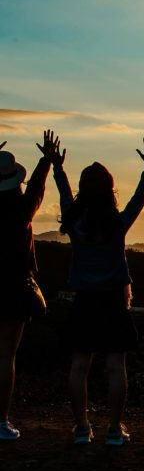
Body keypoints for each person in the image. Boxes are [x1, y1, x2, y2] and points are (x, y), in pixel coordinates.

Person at [53, 137, 144, 445]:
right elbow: (139, 198)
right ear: (110, 189)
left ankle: (82, 427)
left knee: (79, 365)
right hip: (114, 300)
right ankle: (114, 428)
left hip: (84, 299)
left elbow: (62, 193)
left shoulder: (74, 221)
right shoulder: (117, 223)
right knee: (116, 367)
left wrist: (58, 167)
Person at [0, 131, 59, 441]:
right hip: (12, 287)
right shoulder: (21, 211)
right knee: (6, 355)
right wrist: (46, 160)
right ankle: (1, 420)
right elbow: (36, 188)